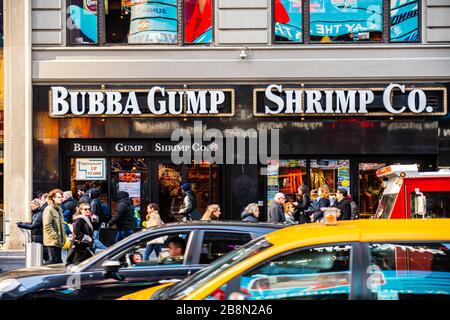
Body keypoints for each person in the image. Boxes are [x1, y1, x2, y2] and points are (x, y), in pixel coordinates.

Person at [42, 189, 67, 264]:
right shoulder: (49, 209)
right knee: (53, 261)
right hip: (52, 241)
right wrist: (56, 236)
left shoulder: (59, 209)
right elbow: (47, 225)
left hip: (59, 241)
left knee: (59, 262)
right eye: (58, 197)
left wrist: (63, 237)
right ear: (53, 198)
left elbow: (61, 224)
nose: (61, 199)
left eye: (61, 197)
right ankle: (41, 272)